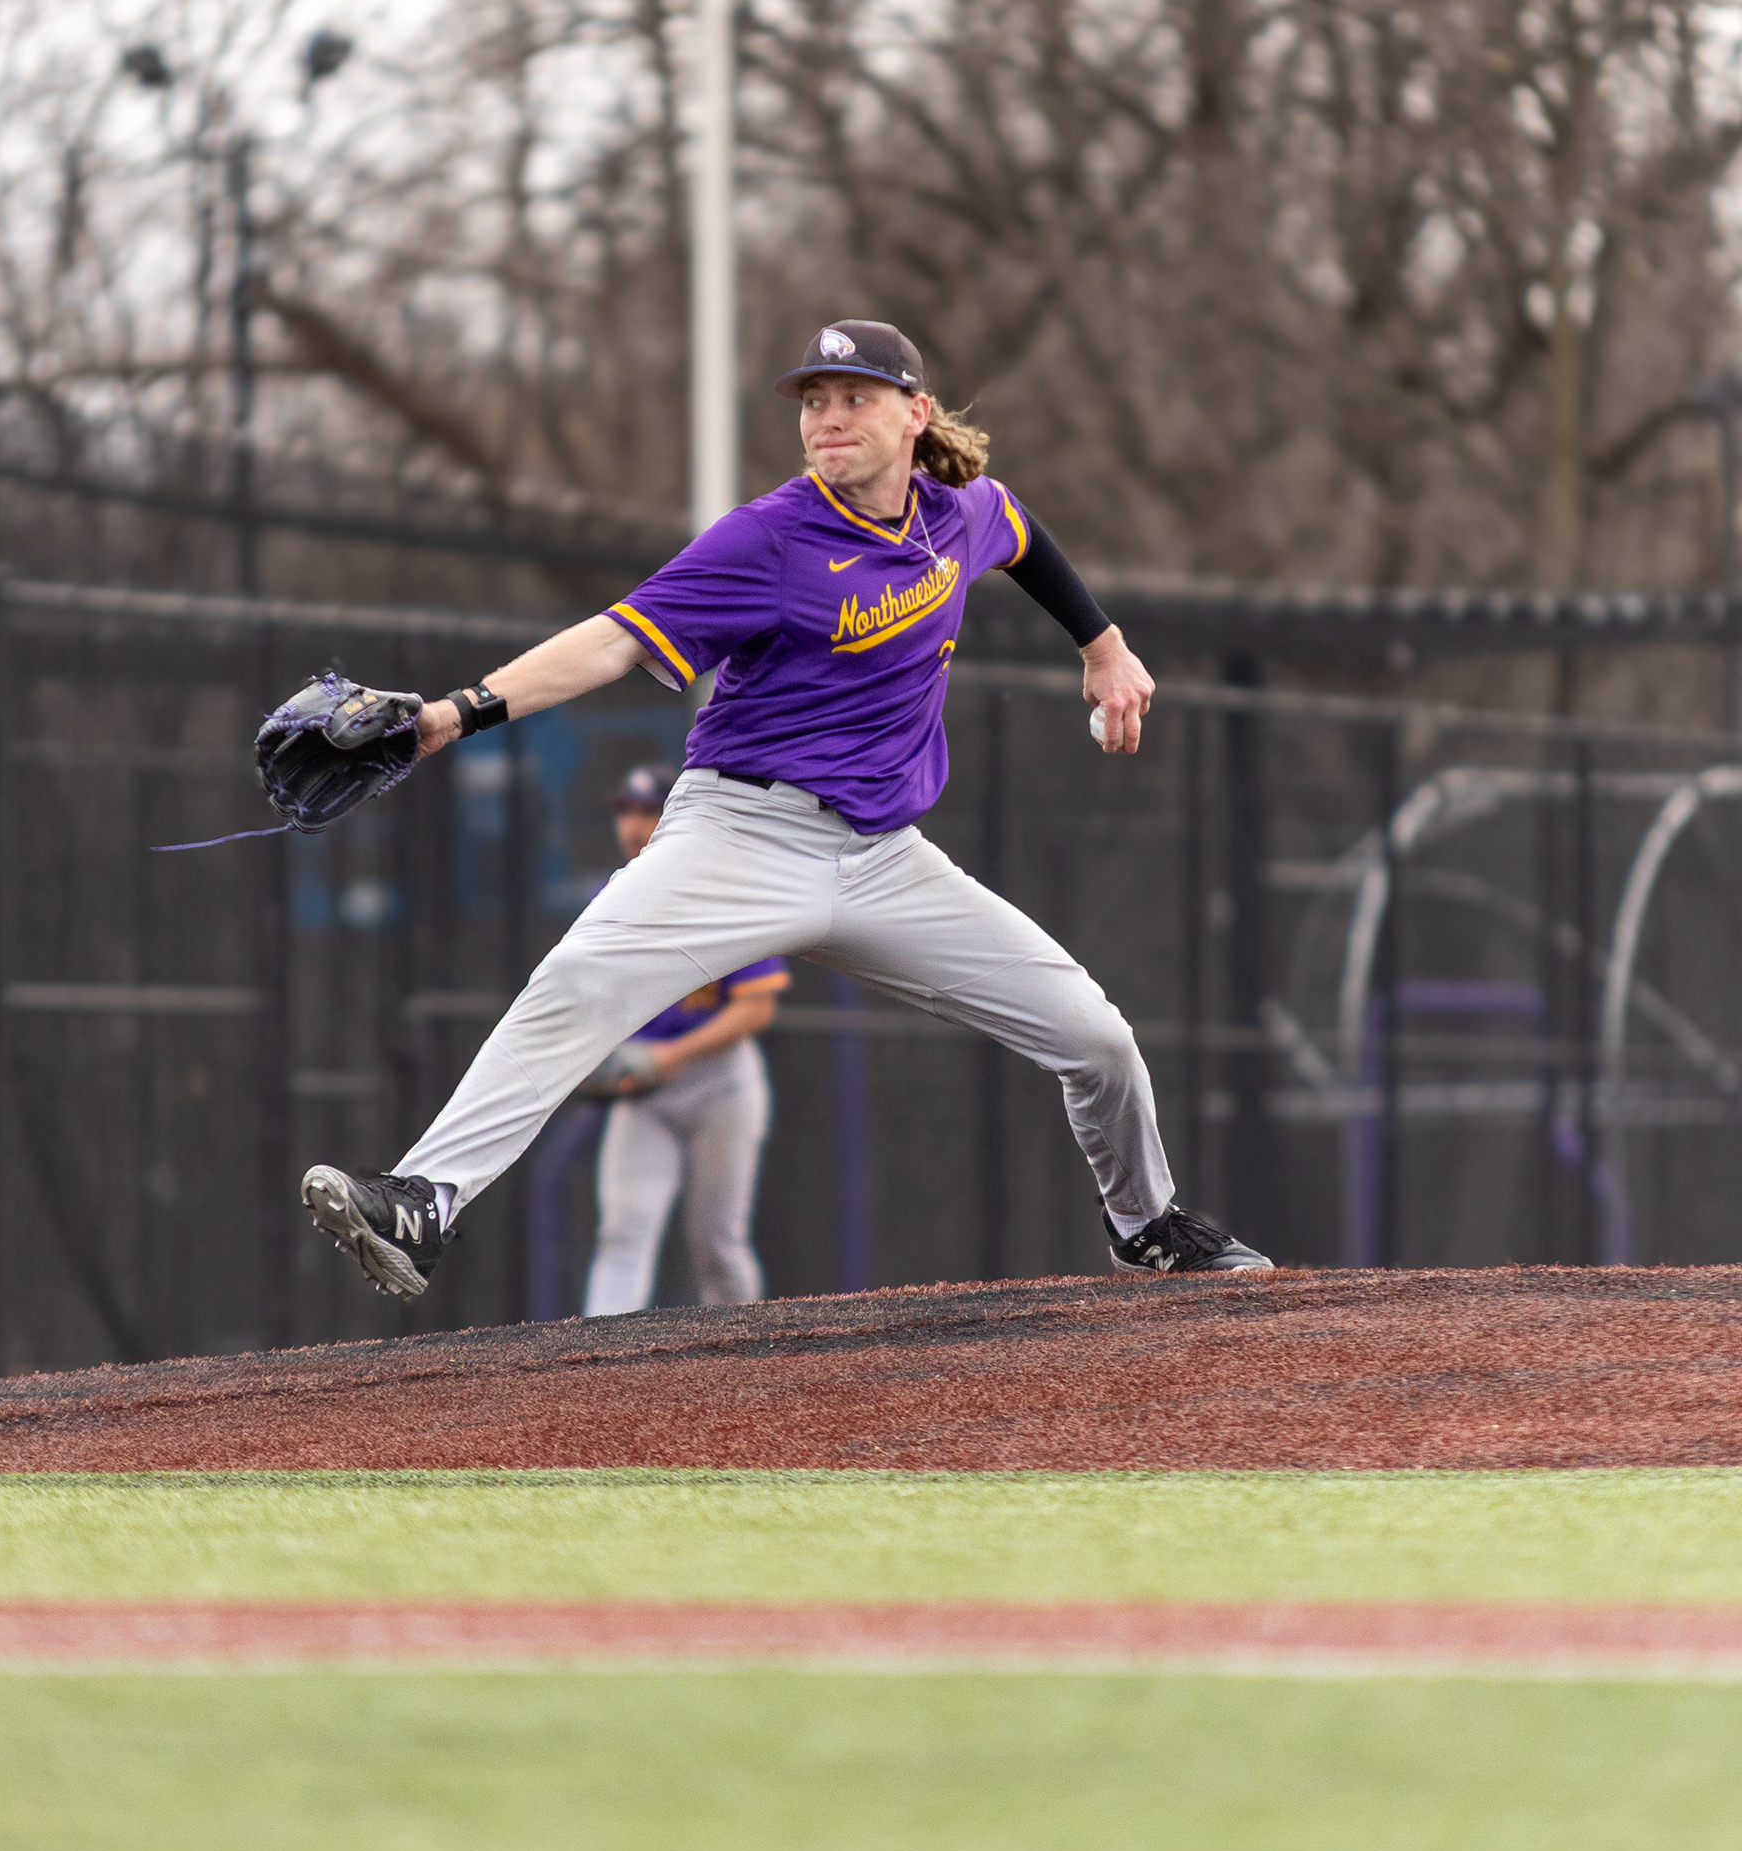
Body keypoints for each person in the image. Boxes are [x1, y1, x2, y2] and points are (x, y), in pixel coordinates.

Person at [300, 316, 1272, 1298]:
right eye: (813, 400)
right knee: (579, 979)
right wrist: (450, 715)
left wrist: (1103, 647)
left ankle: (1145, 1225)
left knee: (1097, 1040)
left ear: (915, 414)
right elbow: (614, 640)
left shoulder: (956, 514)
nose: (828, 417)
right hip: (741, 835)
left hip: (886, 859)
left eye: (854, 397)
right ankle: (425, 1196)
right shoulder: (770, 537)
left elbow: (1022, 535)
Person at [579, 762, 789, 1315]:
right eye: (626, 811)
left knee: (717, 1245)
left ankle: (746, 1356)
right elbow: (593, 997)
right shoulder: (612, 898)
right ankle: (597, 1361)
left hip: (721, 1084)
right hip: (645, 1088)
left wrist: (671, 1055)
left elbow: (757, 1008)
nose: (633, 824)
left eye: (648, 810)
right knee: (622, 1234)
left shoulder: (728, 894)